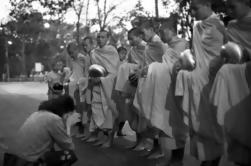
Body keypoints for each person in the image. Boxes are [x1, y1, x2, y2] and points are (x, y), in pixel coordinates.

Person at [174, 0, 227, 165]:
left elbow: (226, 55)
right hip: (196, 81)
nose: (192, 13)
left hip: (213, 83)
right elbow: (195, 55)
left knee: (212, 125)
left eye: (195, 9)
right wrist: (182, 64)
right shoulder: (196, 28)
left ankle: (212, 161)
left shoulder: (220, 27)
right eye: (191, 10)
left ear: (207, 5)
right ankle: (205, 160)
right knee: (197, 124)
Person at [210, 0, 251, 165]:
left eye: (232, 6)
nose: (228, 10)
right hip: (237, 80)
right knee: (237, 127)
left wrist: (247, 53)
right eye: (227, 6)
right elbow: (227, 52)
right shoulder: (232, 26)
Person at [5, 95, 79, 166]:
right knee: (70, 155)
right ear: (66, 112)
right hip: (25, 162)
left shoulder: (39, 113)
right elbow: (70, 147)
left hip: (11, 159)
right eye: (69, 115)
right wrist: (68, 126)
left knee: (50, 150)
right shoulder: (54, 119)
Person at [88, 30, 120, 148]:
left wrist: (102, 79)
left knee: (108, 112)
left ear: (108, 39)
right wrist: (93, 79)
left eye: (102, 37)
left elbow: (114, 71)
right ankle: (103, 137)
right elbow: (92, 69)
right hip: (96, 85)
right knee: (97, 110)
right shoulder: (93, 53)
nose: (99, 39)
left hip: (108, 85)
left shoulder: (112, 51)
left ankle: (109, 139)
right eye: (98, 37)